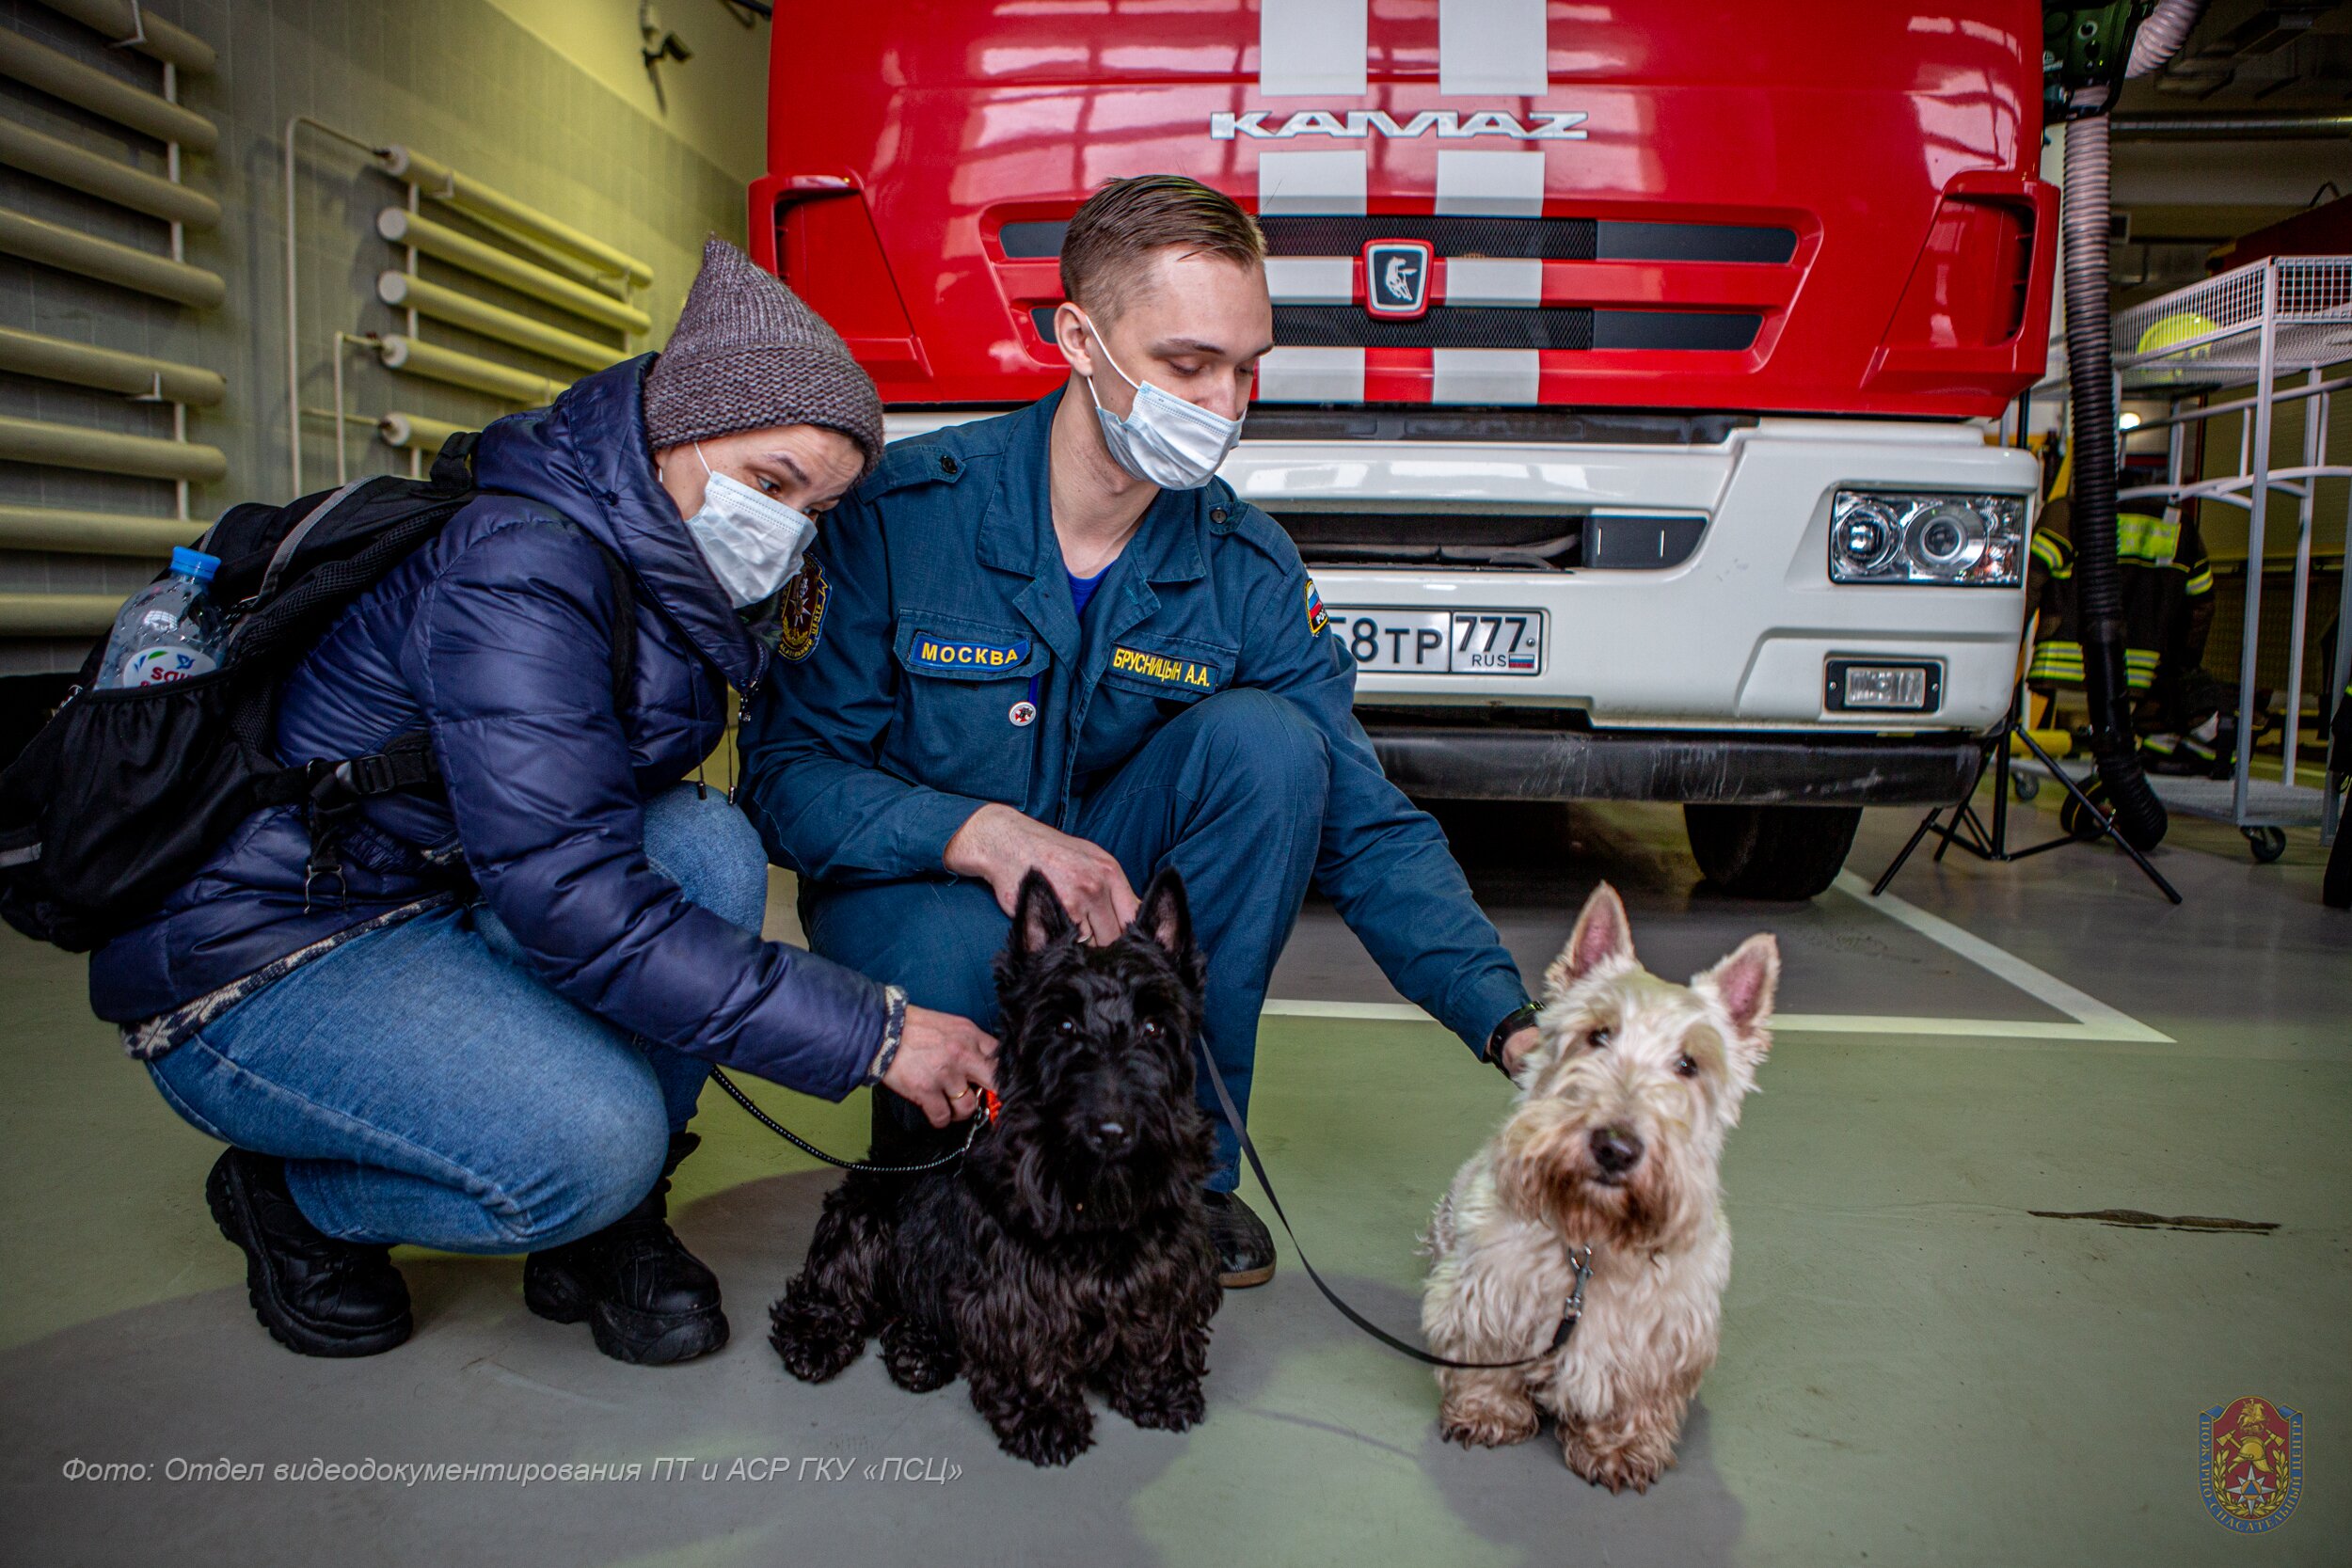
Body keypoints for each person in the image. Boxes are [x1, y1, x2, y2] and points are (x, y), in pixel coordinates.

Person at [96, 239, 997, 1365]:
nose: (787, 525)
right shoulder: (523, 562)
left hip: (424, 889)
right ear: (676, 430)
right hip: (265, 951)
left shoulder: (652, 561)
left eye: (816, 504)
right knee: (586, 1146)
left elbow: (587, 848)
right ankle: (296, 1202)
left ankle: (613, 1224)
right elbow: (569, 897)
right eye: (770, 482)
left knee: (704, 842)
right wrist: (878, 1032)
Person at [738, 177, 1541, 1291]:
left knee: (1271, 745)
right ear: (1077, 333)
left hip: (1115, 878)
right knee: (956, 997)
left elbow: (1366, 825)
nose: (1222, 402)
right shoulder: (902, 516)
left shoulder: (1243, 566)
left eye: (1245, 368)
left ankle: (1180, 1170)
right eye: (1185, 363)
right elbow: (784, 777)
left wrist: (1513, 1024)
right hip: (929, 876)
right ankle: (947, 1146)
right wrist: (980, 830)